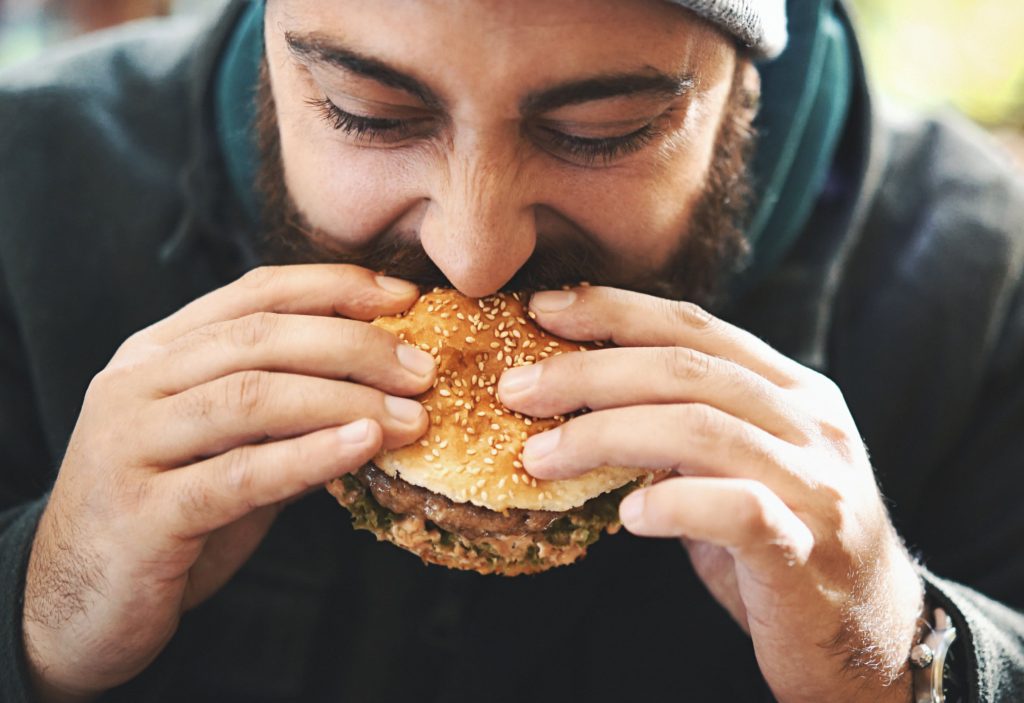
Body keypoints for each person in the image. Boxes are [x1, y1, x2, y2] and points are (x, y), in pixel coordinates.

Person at [0, 0, 1022, 701]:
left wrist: (907, 657)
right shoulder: (23, 187)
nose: (476, 256)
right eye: (368, 113)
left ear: (741, 81)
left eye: (603, 129)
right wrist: (36, 612)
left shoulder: (985, 284)